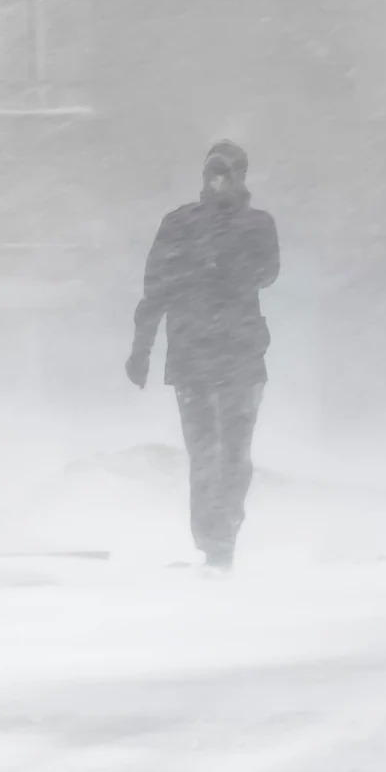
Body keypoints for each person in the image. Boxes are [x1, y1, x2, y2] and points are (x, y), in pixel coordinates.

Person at [125, 141, 280, 570]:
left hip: (238, 354)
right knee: (206, 453)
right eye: (213, 172)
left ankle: (222, 536)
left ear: (241, 177)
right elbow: (155, 287)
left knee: (231, 452)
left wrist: (223, 251)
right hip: (195, 354)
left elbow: (267, 273)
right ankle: (212, 536)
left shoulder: (256, 225)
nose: (218, 180)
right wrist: (142, 347)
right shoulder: (179, 224)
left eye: (227, 173)